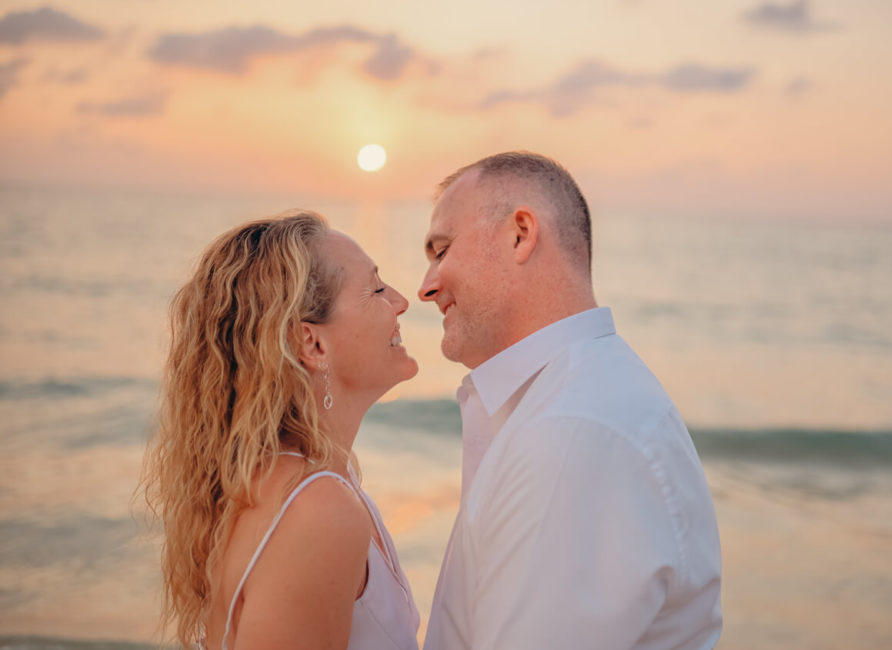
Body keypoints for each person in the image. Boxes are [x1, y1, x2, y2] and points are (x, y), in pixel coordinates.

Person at [418, 152, 723, 649]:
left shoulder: (572, 429)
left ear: (520, 234)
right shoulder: (567, 401)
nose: (427, 286)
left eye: (442, 249)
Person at [141, 211, 420, 650]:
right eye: (376, 289)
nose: (402, 301)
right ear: (311, 343)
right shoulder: (317, 507)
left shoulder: (287, 485)